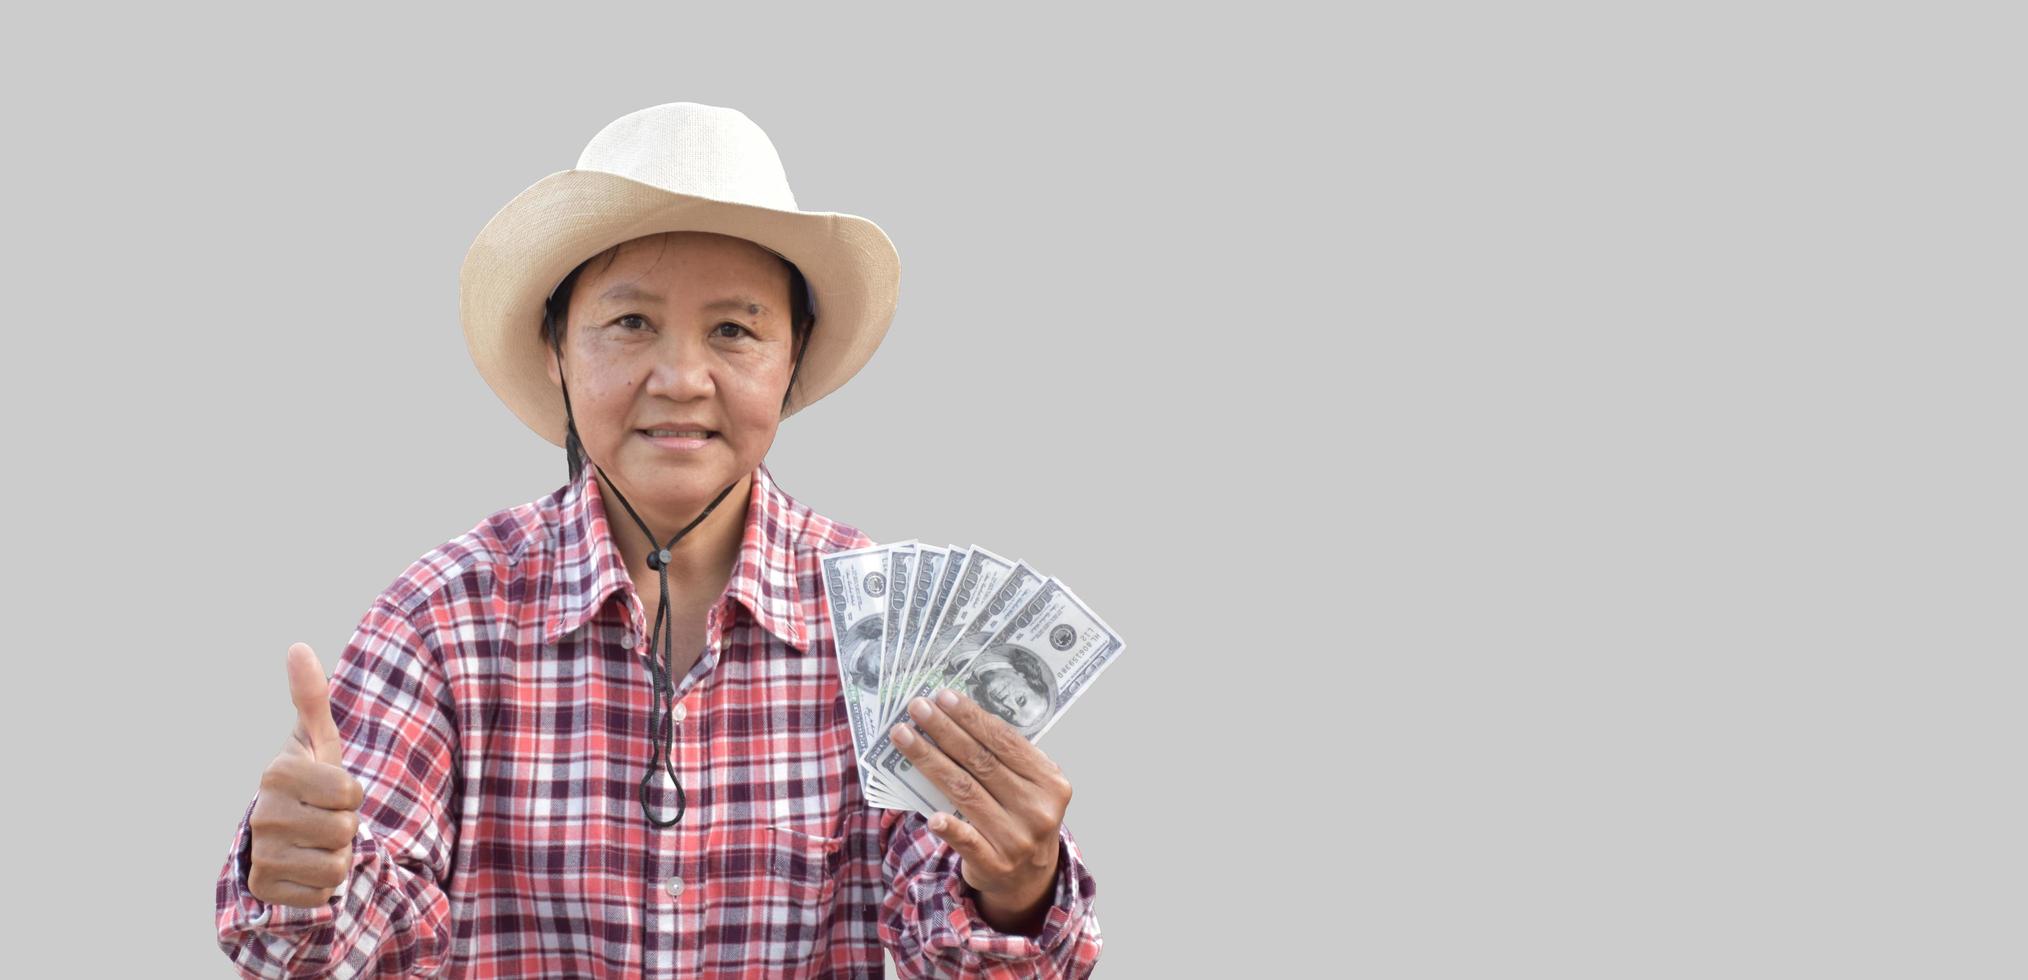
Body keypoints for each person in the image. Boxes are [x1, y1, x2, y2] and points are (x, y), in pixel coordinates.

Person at [212, 102, 1102, 978]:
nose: (681, 379)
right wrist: (306, 875)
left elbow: (957, 947)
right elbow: (357, 943)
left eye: (734, 330)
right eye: (631, 322)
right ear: (558, 347)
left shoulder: (894, 639)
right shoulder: (442, 620)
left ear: (794, 355)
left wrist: (1016, 888)